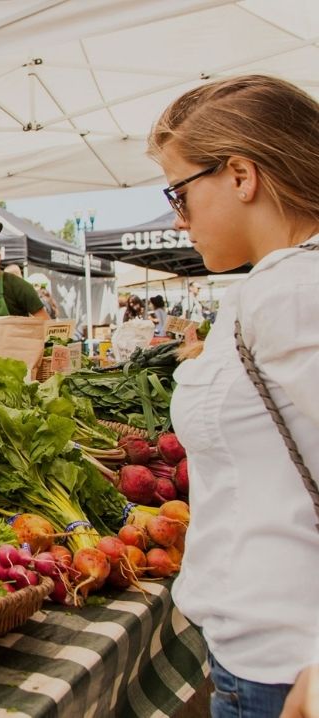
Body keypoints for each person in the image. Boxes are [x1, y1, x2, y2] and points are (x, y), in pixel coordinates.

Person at [149, 74, 319, 718]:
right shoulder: (279, 285)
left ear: (241, 175)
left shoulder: (291, 290)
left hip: (287, 668)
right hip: (269, 652)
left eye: (180, 191)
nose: (178, 216)